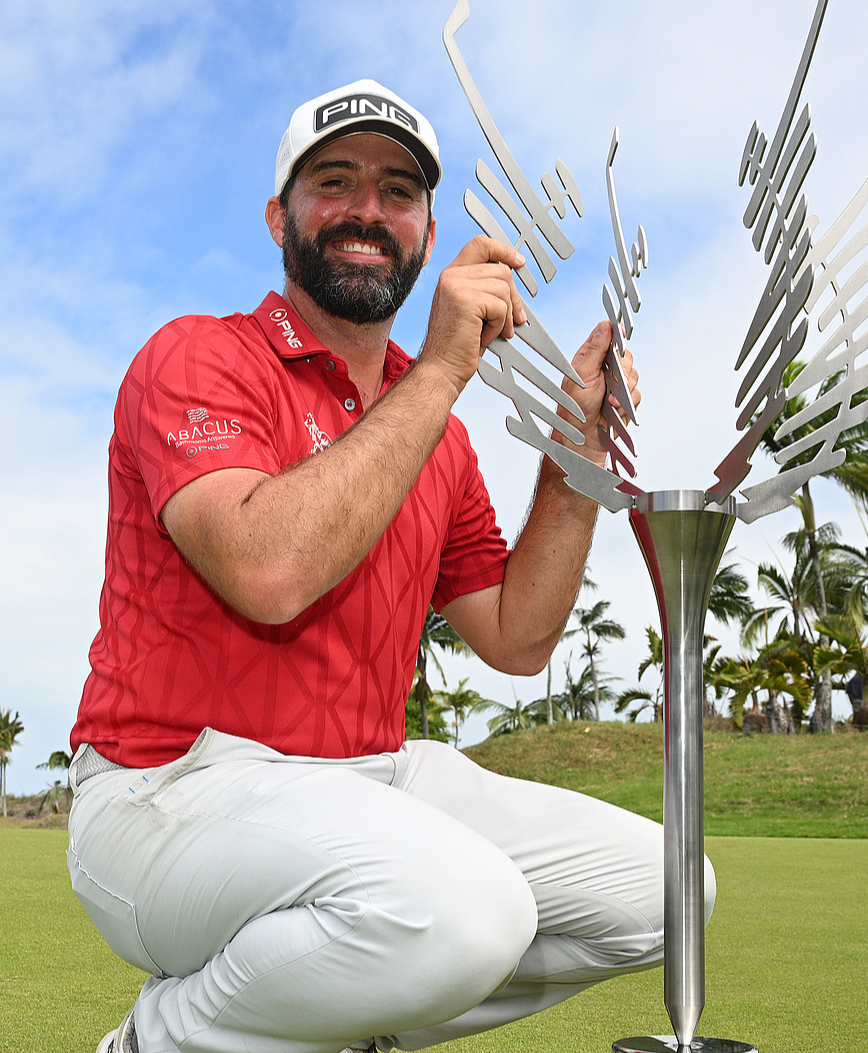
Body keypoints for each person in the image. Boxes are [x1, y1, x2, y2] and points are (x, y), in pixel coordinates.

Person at [66, 77, 713, 1053]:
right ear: (279, 214)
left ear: (422, 228)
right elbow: (267, 570)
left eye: (397, 192)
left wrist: (572, 460)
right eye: (335, 182)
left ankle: (326, 1014)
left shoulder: (432, 441)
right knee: (466, 910)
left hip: (368, 778)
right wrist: (445, 369)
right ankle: (166, 1041)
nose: (367, 210)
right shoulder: (198, 358)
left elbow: (516, 636)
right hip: (167, 789)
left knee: (671, 892)